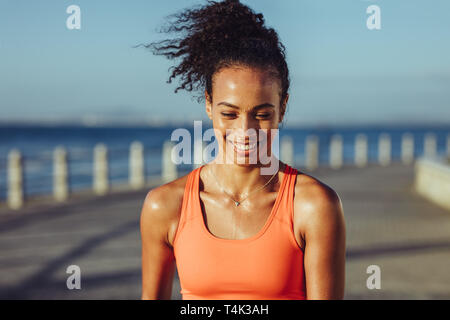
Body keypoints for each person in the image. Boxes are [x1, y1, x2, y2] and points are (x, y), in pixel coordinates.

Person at [140, 0, 345, 300]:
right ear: (209, 104)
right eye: (229, 114)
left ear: (282, 107)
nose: (245, 130)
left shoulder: (314, 207)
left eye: (261, 114)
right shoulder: (165, 206)